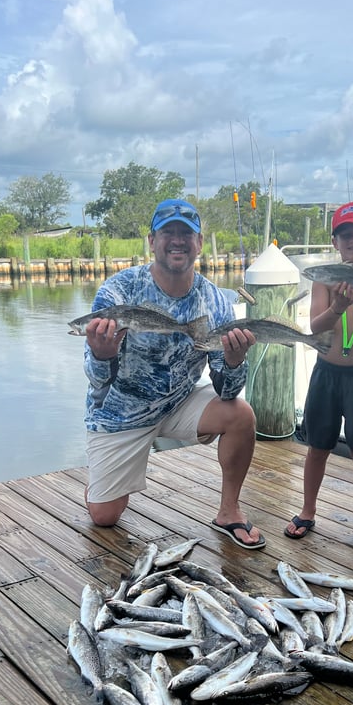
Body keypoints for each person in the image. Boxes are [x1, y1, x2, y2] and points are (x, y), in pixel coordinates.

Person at [83, 198, 265, 550]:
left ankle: (229, 512)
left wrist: (233, 361)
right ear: (152, 240)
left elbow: (226, 390)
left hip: (179, 401)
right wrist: (101, 354)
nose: (177, 240)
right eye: (169, 232)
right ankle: (98, 484)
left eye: (187, 233)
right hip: (119, 414)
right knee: (104, 517)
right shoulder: (119, 291)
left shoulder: (214, 301)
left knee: (241, 414)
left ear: (199, 243)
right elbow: (97, 382)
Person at [285, 201, 353, 552]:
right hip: (326, 375)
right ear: (335, 241)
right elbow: (315, 327)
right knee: (317, 447)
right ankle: (307, 509)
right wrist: (338, 305)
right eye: (345, 234)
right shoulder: (325, 278)